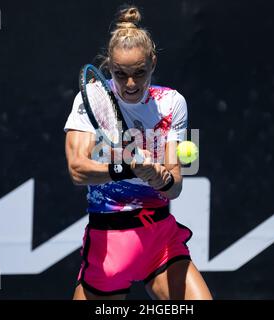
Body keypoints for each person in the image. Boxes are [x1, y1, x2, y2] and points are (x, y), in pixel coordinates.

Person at [64, 5, 212, 300]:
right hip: (109, 243)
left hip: (160, 239)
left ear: (153, 62)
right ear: (109, 66)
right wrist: (128, 167)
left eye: (139, 72)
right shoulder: (92, 97)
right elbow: (77, 169)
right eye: (120, 74)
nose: (130, 83)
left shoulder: (171, 103)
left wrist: (159, 178)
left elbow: (175, 186)